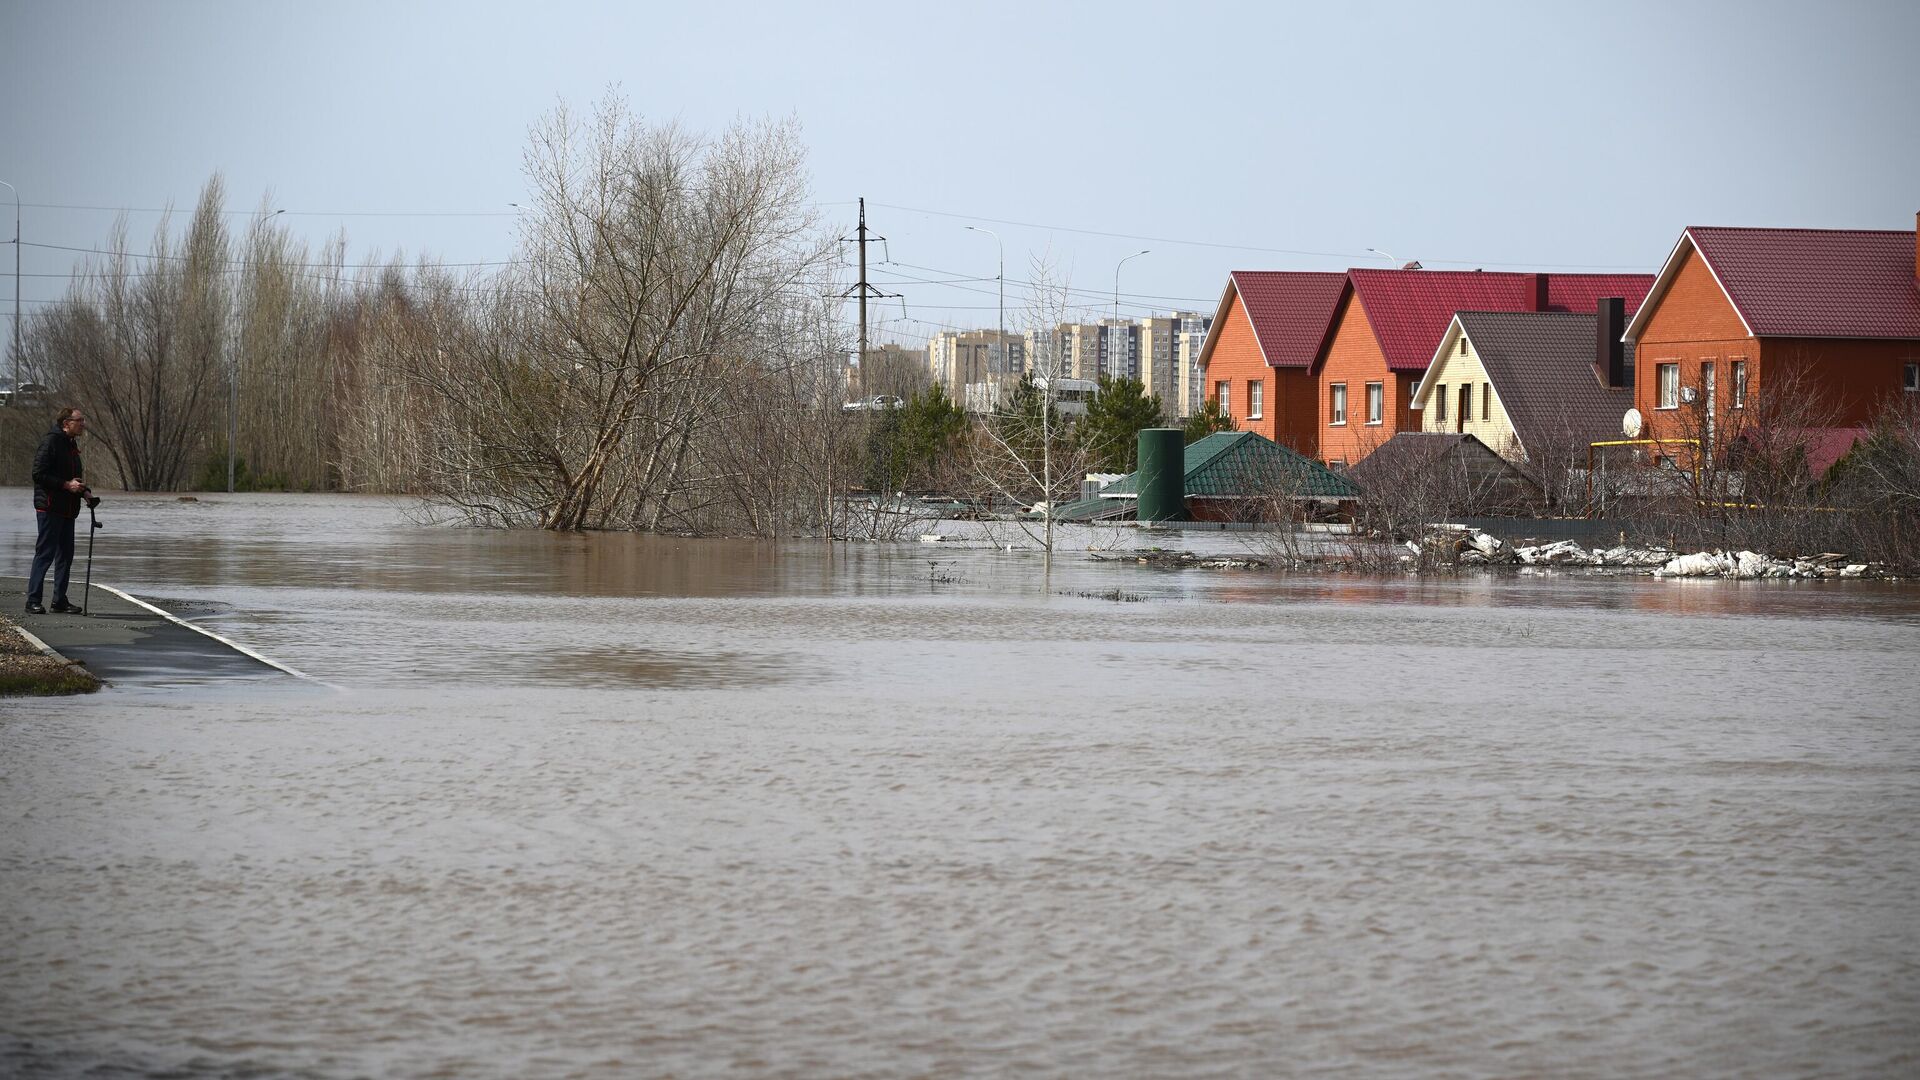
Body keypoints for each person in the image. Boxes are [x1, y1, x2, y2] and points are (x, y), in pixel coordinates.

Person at [26, 407, 91, 615]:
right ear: (66, 423)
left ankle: (59, 600)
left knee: (65, 556)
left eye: (82, 420)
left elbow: (73, 478)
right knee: (45, 554)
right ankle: (33, 600)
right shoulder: (51, 442)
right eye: (79, 420)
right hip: (49, 506)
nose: (82, 424)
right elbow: (38, 474)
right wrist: (65, 485)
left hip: (67, 509)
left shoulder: (71, 444)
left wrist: (85, 492)